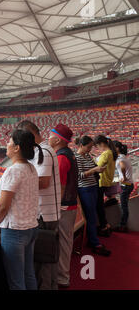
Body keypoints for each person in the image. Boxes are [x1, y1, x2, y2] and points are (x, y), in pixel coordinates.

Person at [0, 129, 43, 290]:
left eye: (10, 142)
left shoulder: (13, 171)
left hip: (15, 230)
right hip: (31, 228)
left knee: (16, 281)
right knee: (28, 274)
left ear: (17, 147)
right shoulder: (31, 169)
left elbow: (4, 205)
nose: (7, 144)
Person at [17, 120, 61, 290]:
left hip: (45, 214)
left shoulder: (44, 151)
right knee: (46, 259)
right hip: (46, 212)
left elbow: (43, 182)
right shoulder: (43, 150)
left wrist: (18, 184)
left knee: (43, 261)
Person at [48, 123, 78, 289]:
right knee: (66, 241)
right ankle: (62, 275)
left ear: (58, 140)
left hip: (64, 207)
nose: (48, 137)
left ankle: (62, 278)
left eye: (51, 135)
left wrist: (53, 207)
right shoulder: (68, 154)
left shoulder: (61, 157)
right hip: (69, 206)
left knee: (64, 243)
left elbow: (59, 186)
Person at [74, 136, 110, 256]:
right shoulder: (77, 157)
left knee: (93, 215)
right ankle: (94, 242)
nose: (90, 149)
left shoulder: (87, 155)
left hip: (93, 187)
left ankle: (93, 239)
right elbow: (79, 176)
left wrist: (97, 169)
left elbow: (92, 167)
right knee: (91, 216)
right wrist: (94, 170)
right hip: (85, 189)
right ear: (81, 146)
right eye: (88, 147)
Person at [93, 135, 118, 237]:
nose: (97, 149)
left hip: (101, 181)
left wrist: (93, 160)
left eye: (97, 146)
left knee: (99, 206)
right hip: (106, 181)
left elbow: (98, 167)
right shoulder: (111, 152)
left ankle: (103, 225)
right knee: (100, 205)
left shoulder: (106, 154)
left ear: (101, 144)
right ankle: (105, 224)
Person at [113, 141, 134, 232]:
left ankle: (122, 226)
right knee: (124, 205)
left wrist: (124, 177)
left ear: (117, 148)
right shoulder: (123, 156)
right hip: (128, 184)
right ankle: (123, 225)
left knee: (123, 206)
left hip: (126, 185)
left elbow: (122, 166)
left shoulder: (120, 158)